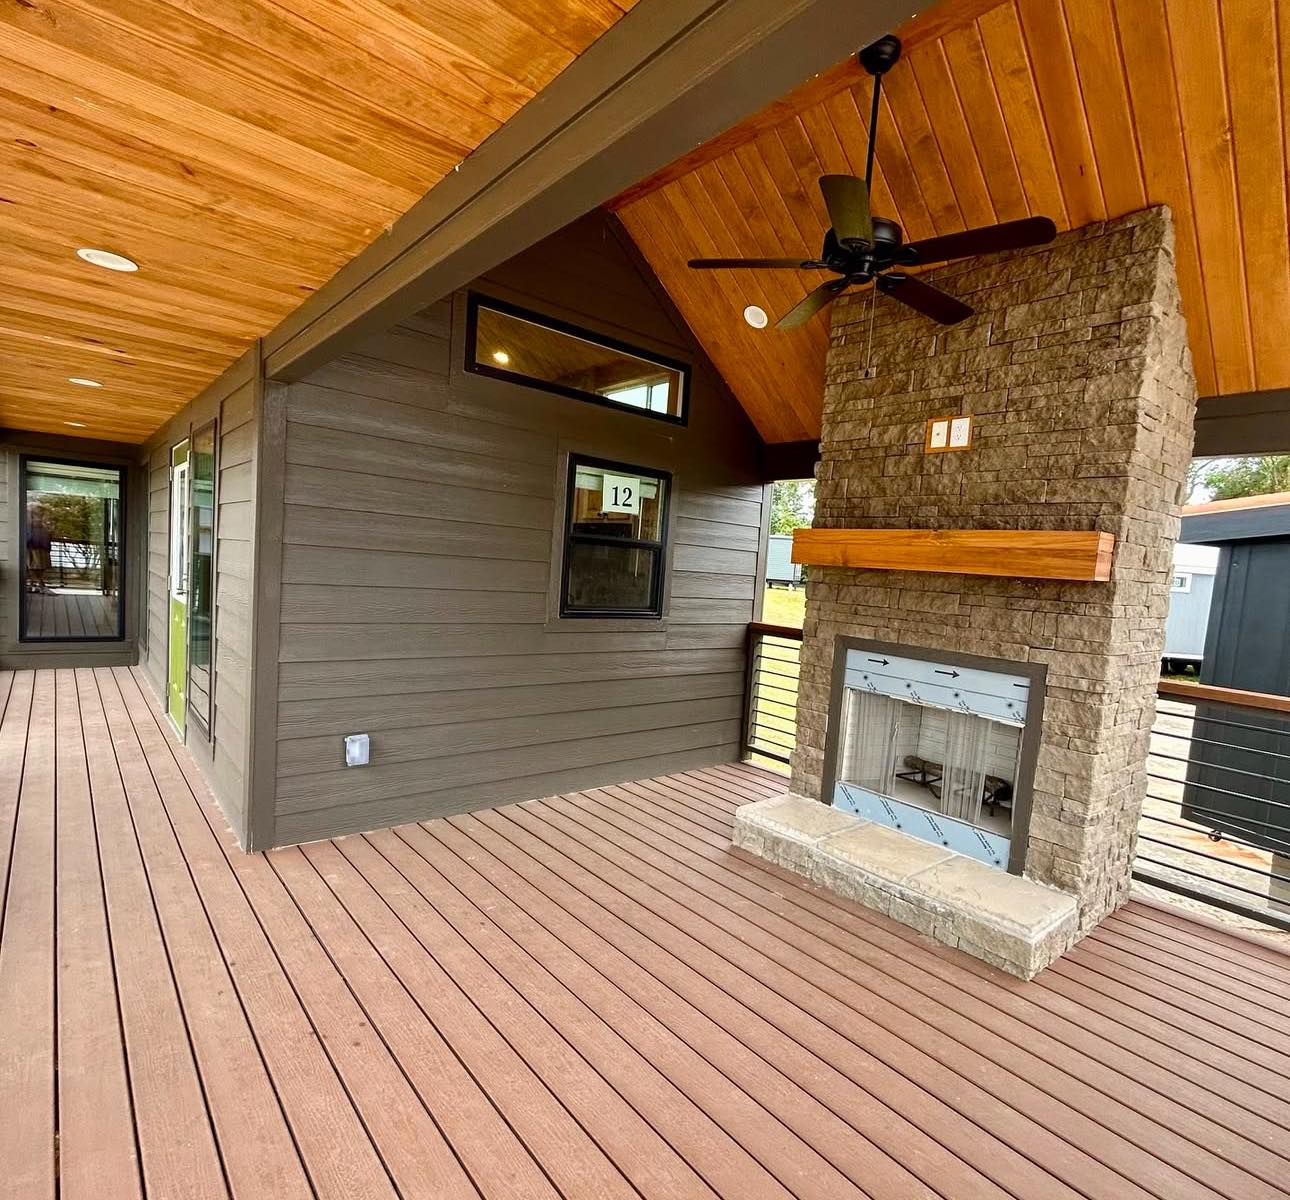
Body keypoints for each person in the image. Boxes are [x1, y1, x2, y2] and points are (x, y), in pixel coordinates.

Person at [26, 507, 53, 593]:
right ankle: (41, 585)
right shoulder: (30, 525)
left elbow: (47, 535)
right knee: (32, 567)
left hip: (42, 547)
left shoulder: (43, 526)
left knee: (39, 568)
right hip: (33, 547)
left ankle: (32, 585)